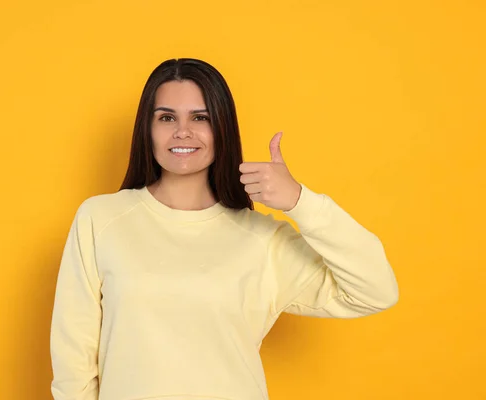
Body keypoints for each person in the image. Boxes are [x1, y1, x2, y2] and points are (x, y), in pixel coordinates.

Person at [49, 58, 399, 400]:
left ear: (222, 129)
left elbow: (375, 291)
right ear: (147, 129)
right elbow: (73, 358)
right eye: (166, 117)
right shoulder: (101, 219)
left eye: (200, 117)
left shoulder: (262, 240)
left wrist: (300, 201)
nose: (182, 131)